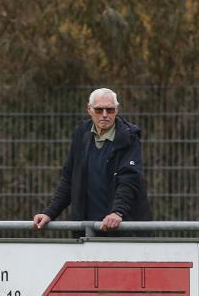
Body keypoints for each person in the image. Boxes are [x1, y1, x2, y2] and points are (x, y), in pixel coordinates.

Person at [33, 88, 151, 234]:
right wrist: (49, 213)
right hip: (87, 228)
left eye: (110, 110)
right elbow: (69, 179)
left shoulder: (129, 138)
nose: (105, 115)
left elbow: (129, 178)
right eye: (99, 110)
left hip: (121, 227)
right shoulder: (81, 134)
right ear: (89, 109)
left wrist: (117, 212)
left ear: (117, 110)